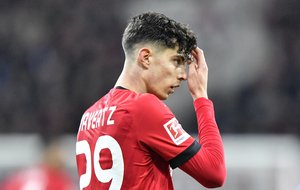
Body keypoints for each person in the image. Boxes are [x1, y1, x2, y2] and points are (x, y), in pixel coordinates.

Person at [76, 12, 226, 190]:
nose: (183, 75)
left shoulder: (88, 116)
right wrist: (201, 97)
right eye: (176, 61)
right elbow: (214, 173)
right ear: (146, 57)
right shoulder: (143, 108)